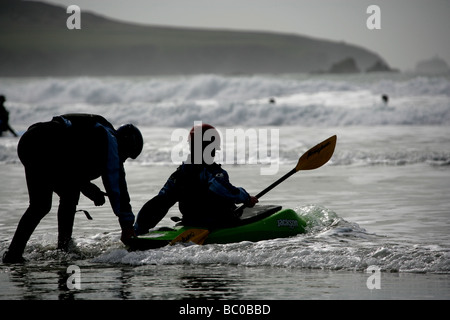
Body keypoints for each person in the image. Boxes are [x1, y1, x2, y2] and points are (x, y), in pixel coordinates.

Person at [2, 113, 143, 263]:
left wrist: (87, 187)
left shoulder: (97, 133)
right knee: (55, 199)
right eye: (127, 155)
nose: (123, 160)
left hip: (30, 141)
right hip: (44, 144)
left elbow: (71, 162)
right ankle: (63, 248)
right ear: (124, 144)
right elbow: (117, 184)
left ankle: (16, 253)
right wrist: (127, 225)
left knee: (45, 203)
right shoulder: (109, 139)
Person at [134, 123, 258, 235]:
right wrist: (246, 198)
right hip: (216, 223)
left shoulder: (179, 174)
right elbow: (224, 189)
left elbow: (157, 204)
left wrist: (138, 230)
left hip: (191, 222)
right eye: (214, 147)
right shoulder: (211, 171)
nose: (214, 152)